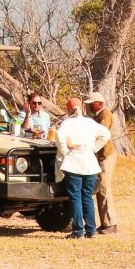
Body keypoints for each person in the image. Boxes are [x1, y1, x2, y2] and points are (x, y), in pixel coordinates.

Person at [53, 98, 111, 240]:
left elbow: (59, 137)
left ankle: (78, 231)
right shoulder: (90, 122)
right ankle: (91, 230)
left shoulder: (68, 123)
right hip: (90, 163)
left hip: (74, 161)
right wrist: (94, 148)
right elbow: (106, 134)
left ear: (69, 109)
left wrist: (64, 150)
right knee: (87, 197)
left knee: (75, 197)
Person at [85, 92, 120, 235]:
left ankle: (111, 223)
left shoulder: (105, 115)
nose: (90, 106)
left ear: (100, 103)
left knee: (104, 188)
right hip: (99, 156)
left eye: (92, 103)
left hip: (105, 156)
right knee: (100, 189)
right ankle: (105, 223)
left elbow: (101, 133)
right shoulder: (96, 115)